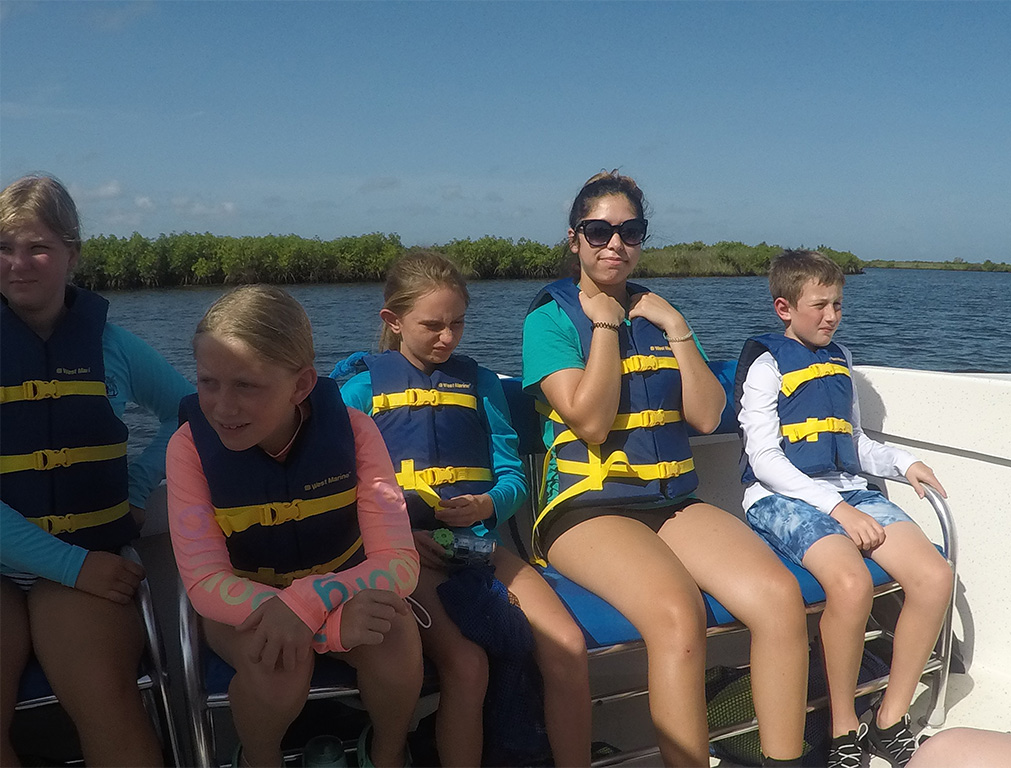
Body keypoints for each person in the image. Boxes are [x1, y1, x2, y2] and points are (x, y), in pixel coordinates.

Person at [521, 171, 809, 768]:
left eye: (630, 231)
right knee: (677, 613)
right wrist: (602, 322)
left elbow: (706, 416)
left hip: (669, 499)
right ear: (574, 238)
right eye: (598, 231)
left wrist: (677, 328)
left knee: (778, 595)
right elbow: (590, 422)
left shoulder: (659, 317)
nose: (614, 244)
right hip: (585, 509)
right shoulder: (549, 320)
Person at [337, 251, 592, 767]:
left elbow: (514, 476)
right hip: (407, 555)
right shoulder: (360, 390)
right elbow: (340, 491)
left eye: (457, 324)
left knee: (567, 645)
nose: (447, 338)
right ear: (393, 320)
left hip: (478, 544)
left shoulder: (479, 385)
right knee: (467, 665)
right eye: (432, 325)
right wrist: (401, 537)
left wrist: (489, 503)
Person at [166, 285, 423, 768]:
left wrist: (309, 603)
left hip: (338, 591)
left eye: (246, 385)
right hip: (243, 603)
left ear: (301, 386)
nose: (222, 407)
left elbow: (400, 563)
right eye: (208, 383)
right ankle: (259, 759)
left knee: (396, 635)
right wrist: (322, 630)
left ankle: (388, 753)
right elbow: (204, 584)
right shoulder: (188, 449)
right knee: (278, 664)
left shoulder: (354, 431)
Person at [0, 174, 193, 766]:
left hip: (96, 555)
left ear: (72, 255)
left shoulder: (112, 344)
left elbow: (191, 413)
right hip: (27, 564)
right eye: (3, 247)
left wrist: (137, 488)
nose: (17, 263)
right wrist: (71, 565)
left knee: (108, 710)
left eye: (37, 247)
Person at [735, 249, 954, 768]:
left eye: (837, 304)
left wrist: (905, 464)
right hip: (780, 497)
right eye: (819, 306)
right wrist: (838, 509)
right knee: (851, 584)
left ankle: (889, 719)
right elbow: (765, 460)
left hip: (845, 491)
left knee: (934, 577)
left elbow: (852, 443)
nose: (831, 316)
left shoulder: (841, 360)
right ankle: (842, 728)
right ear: (784, 308)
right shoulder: (766, 366)